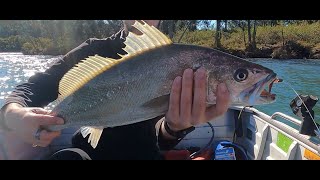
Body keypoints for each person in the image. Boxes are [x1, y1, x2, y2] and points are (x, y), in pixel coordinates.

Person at [0, 20, 230, 160]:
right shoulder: (93, 50)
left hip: (145, 155)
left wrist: (176, 128)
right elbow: (34, 87)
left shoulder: (180, 60)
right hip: (86, 153)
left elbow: (162, 136)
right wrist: (13, 114)